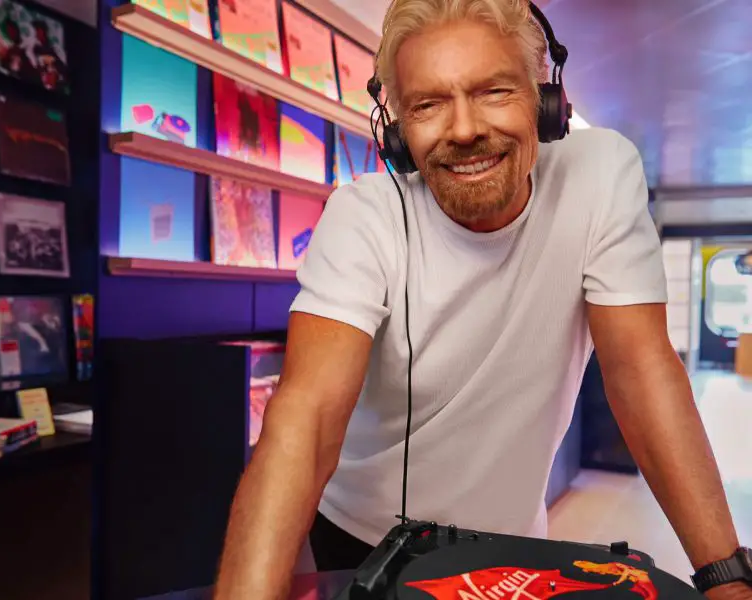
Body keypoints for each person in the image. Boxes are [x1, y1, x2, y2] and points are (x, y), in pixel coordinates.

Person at [213, 1, 750, 599]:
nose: (464, 129)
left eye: (493, 90)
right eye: (428, 104)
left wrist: (725, 575)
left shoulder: (602, 175)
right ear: (396, 128)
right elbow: (305, 419)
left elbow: (642, 371)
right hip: (360, 538)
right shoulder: (363, 216)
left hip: (513, 543)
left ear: (544, 99)